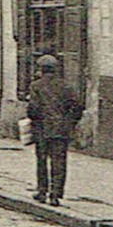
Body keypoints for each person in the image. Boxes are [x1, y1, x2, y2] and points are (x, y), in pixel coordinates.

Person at [26, 54, 84, 207]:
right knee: (59, 161)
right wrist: (70, 122)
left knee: (42, 160)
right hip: (61, 129)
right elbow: (77, 106)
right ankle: (55, 194)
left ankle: (42, 191)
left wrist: (33, 120)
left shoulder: (36, 86)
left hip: (42, 129)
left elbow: (33, 108)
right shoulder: (65, 86)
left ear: (41, 69)